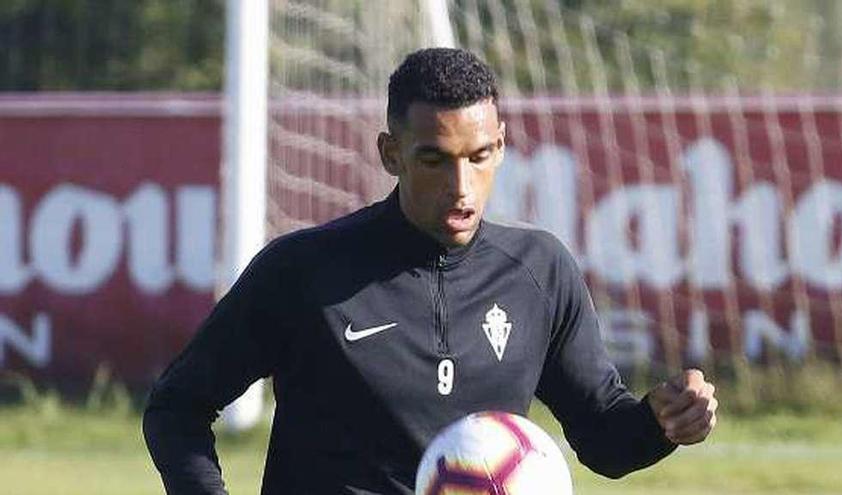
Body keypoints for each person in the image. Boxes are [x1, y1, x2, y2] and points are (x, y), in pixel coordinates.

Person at [144, 47, 718, 494]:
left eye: (479, 157)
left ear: (501, 145)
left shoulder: (540, 273)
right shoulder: (303, 272)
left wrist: (660, 423)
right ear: (391, 154)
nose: (461, 186)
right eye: (434, 160)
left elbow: (604, 439)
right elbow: (177, 408)